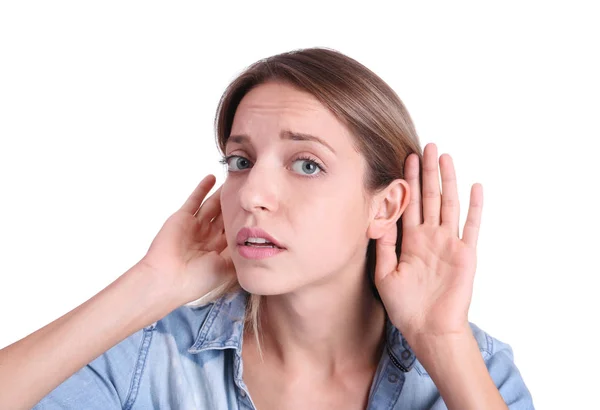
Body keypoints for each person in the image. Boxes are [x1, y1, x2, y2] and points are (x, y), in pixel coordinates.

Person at [0, 47, 534, 410]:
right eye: (240, 161)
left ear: (385, 206)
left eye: (306, 164)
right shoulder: (150, 357)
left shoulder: (473, 367)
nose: (252, 194)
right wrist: (149, 286)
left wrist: (442, 343)